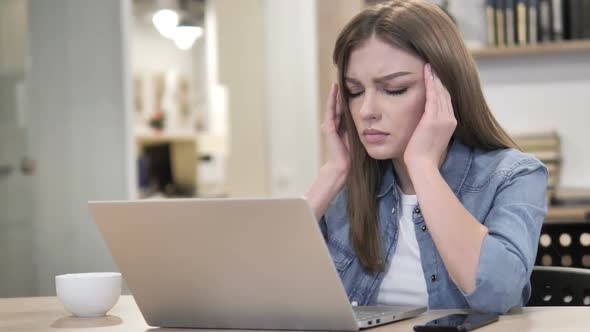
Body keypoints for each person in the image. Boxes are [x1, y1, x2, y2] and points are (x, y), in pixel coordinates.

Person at [304, 0, 547, 314]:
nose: (366, 111)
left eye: (394, 89)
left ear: (446, 90)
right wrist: (333, 172)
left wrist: (422, 167)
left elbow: (496, 294)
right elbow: (261, 291)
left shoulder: (515, 174)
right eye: (355, 91)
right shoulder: (346, 187)